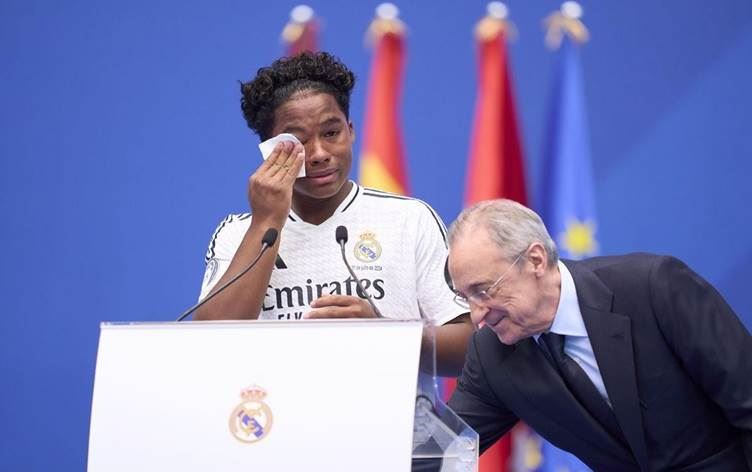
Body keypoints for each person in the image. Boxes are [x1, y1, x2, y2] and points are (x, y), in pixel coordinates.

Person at [193, 51, 472, 377]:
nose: (319, 153)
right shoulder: (236, 233)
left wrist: (385, 334)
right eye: (298, 141)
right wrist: (266, 221)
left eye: (331, 133)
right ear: (270, 151)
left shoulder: (410, 219)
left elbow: (470, 349)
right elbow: (207, 347)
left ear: (350, 131)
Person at [446, 199, 752, 471]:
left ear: (535, 260)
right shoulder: (491, 355)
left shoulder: (653, 288)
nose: (477, 315)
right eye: (465, 297)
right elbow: (440, 454)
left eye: (484, 291)